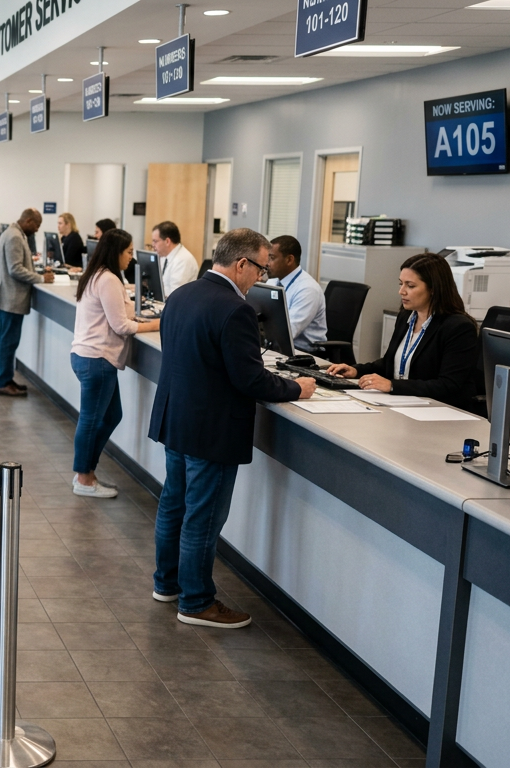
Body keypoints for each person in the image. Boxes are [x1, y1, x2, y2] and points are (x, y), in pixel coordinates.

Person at [148, 228, 316, 629]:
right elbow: (251, 381)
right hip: (212, 430)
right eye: (260, 268)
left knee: (175, 504)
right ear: (241, 264)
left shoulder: (182, 295)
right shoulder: (235, 309)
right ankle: (196, 602)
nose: (261, 278)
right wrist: (298, 387)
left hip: (177, 419)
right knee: (202, 517)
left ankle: (166, 584)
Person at [325, 252, 479, 412]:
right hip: (402, 404)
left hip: (439, 411)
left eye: (410, 286)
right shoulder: (407, 316)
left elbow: (448, 385)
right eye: (401, 284)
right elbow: (389, 363)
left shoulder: (458, 327)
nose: (402, 291)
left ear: (433, 289)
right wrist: (356, 370)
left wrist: (392, 385)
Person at [71, 229, 160, 498]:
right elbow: (121, 325)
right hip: (96, 360)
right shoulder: (108, 279)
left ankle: (87, 472)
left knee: (111, 416)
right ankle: (83, 478)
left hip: (89, 357)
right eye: (129, 252)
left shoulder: (99, 275)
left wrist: (144, 313)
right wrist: (158, 324)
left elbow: (122, 311)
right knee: (90, 420)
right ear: (116, 252)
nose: (132, 259)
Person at [0, 208, 55, 397]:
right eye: (37, 225)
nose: (37, 229)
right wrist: (41, 278)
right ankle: (2, 382)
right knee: (8, 342)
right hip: (10, 298)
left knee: (8, 341)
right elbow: (15, 269)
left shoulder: (13, 233)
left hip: (9, 297)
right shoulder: (15, 237)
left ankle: (6, 379)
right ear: (28, 221)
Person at [266, 235, 327, 353]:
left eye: (272, 258)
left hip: (304, 353)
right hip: (277, 348)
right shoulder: (273, 281)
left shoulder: (308, 289)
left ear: (289, 260)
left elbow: (289, 331)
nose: (267, 263)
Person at [152, 221, 198, 298]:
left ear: (167, 241)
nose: (153, 245)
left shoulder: (183, 260)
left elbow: (175, 295)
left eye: (155, 241)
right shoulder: (164, 256)